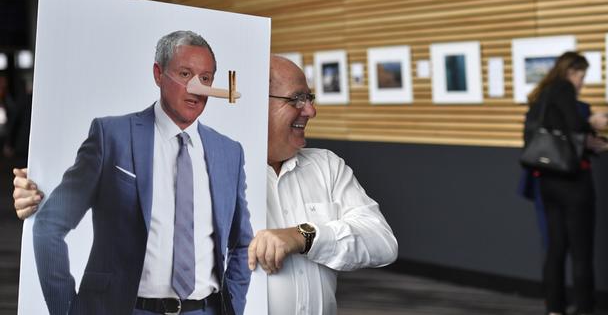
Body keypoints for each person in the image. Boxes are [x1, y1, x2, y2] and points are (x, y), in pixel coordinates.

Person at [15, 54, 398, 315]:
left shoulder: (327, 166)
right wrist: (40, 201)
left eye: (309, 98)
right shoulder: (203, 165)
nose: (310, 110)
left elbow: (382, 243)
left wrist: (303, 236)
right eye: (296, 99)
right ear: (253, 104)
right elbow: (127, 217)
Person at [15, 30, 253, 315]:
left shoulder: (229, 152)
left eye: (205, 79)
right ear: (158, 74)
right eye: (185, 74)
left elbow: (242, 243)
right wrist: (68, 311)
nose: (196, 88)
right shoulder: (111, 136)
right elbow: (49, 225)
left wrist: (233, 307)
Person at [524, 51, 608, 315]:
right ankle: (585, 309)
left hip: (547, 182)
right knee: (582, 253)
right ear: (571, 72)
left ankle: (555, 309)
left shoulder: (541, 95)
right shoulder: (563, 88)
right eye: (581, 76)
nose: (582, 82)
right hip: (574, 184)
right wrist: (593, 123)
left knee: (556, 248)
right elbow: (575, 126)